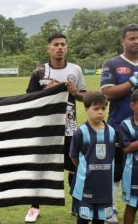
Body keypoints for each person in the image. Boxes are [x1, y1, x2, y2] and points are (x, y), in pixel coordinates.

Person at [25, 33, 87, 223]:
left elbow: (84, 97)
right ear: (48, 48)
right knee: (40, 167)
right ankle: (34, 207)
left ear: (66, 48)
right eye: (56, 44)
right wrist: (47, 91)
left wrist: (75, 92)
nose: (60, 47)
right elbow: (28, 99)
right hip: (45, 128)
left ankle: (77, 203)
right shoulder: (39, 72)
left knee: (76, 165)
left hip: (69, 127)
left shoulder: (75, 69)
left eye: (63, 44)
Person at [100, 23, 138, 224]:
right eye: (132, 38)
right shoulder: (112, 63)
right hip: (118, 127)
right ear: (122, 40)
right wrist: (132, 81)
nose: (136, 41)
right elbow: (107, 93)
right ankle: (111, 210)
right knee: (116, 171)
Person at [70, 92, 115, 224]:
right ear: (86, 109)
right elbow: (74, 157)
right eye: (96, 109)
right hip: (85, 187)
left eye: (103, 108)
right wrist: (86, 169)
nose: (100, 112)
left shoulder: (111, 132)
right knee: (83, 220)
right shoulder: (80, 132)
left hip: (104, 187)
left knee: (99, 220)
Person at [119, 89, 138, 224]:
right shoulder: (125, 125)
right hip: (133, 173)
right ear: (132, 105)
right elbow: (126, 148)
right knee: (132, 206)